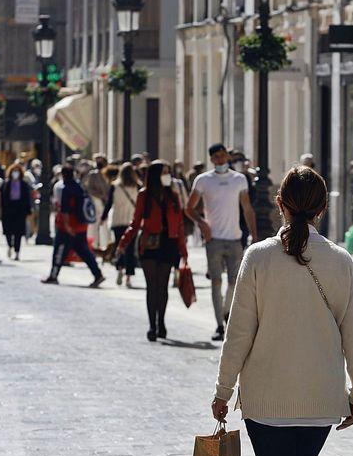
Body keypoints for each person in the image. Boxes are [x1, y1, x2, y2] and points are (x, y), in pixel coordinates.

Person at [211, 165, 353, 456]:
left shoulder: (259, 257)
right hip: (321, 397)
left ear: (279, 204)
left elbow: (239, 333)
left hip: (266, 400)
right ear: (322, 210)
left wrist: (223, 390)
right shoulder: (340, 261)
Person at [186, 143, 257, 341]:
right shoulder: (203, 180)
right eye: (216, 157)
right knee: (216, 282)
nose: (220, 160)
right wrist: (202, 224)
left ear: (227, 156)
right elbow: (189, 208)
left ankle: (227, 313)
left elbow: (247, 208)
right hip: (213, 239)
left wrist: (254, 235)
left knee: (234, 282)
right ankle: (219, 325)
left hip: (235, 238)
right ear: (211, 160)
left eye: (223, 156)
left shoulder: (239, 179)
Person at [119, 161, 189, 340]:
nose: (167, 176)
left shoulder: (173, 195)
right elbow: (135, 222)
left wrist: (183, 250)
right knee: (152, 286)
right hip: (149, 241)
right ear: (156, 175)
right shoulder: (144, 195)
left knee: (163, 286)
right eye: (164, 172)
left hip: (168, 243)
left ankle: (161, 323)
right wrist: (123, 242)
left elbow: (179, 225)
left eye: (168, 172)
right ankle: (152, 325)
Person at [43, 165, 106, 287]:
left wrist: (67, 226)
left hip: (68, 227)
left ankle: (53, 275)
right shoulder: (80, 187)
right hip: (81, 225)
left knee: (59, 251)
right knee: (84, 252)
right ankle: (98, 275)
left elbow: (65, 209)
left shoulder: (66, 188)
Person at [106, 162, 141, 287]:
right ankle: (128, 277)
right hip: (132, 222)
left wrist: (104, 217)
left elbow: (109, 203)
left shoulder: (115, 186)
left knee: (119, 246)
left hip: (118, 221)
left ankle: (120, 269)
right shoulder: (137, 186)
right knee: (130, 249)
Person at [0, 162, 32, 261]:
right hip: (8, 211)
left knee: (18, 232)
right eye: (14, 171)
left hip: (20, 211)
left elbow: (27, 198)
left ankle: (17, 252)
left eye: (17, 171)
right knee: (8, 231)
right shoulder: (6, 184)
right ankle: (10, 246)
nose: (15, 173)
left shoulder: (24, 184)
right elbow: (2, 197)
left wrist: (28, 210)